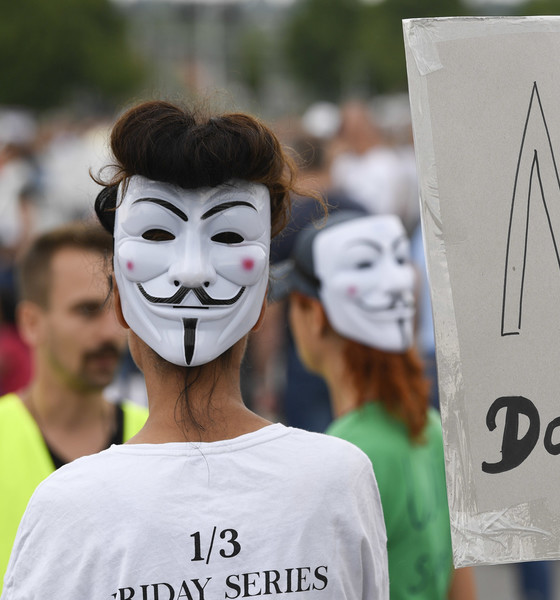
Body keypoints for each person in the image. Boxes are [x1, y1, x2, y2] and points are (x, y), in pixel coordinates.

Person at [1, 100, 388, 599]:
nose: (190, 270)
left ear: (118, 304)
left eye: (226, 236)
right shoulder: (341, 480)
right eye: (161, 233)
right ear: (259, 308)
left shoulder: (69, 505)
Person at [274, 209, 476, 599]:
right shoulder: (429, 426)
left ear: (315, 315)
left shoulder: (342, 459)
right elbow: (459, 580)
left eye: (293, 304)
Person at [0, 222, 146, 592]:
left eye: (117, 309)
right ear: (31, 323)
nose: (111, 332)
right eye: (86, 311)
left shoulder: (161, 439)